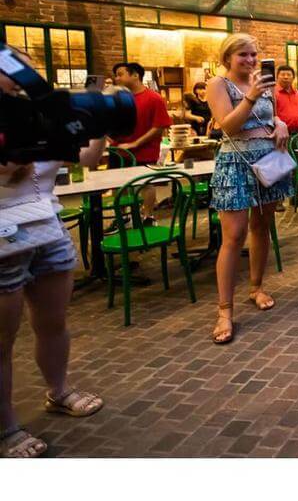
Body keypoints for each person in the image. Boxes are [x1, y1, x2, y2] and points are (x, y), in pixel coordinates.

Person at [0, 49, 105, 459]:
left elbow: (84, 160)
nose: (26, 79)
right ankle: (6, 427)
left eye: (30, 72)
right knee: (2, 338)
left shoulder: (39, 115)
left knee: (53, 322)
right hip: (4, 233)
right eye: (16, 71)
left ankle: (58, 391)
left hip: (48, 224)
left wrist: (96, 125)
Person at [206, 34, 293, 344]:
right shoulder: (218, 84)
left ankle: (256, 287)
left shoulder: (261, 82)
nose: (251, 60)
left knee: (262, 227)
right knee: (233, 236)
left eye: (254, 54)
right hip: (235, 162)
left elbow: (267, 117)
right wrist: (253, 96)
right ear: (227, 57)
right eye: (243, 55)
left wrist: (280, 123)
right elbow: (227, 125)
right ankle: (224, 310)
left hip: (269, 159)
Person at [110, 61, 172, 223]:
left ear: (135, 75)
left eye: (120, 74)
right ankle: (121, 218)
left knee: (146, 184)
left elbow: (159, 126)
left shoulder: (154, 98)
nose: (117, 79)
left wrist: (136, 143)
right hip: (118, 150)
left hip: (144, 150)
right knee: (117, 185)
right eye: (116, 75)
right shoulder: (118, 99)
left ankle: (147, 216)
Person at [274, 64, 298, 136]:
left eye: (288, 75)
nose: (286, 77)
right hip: (281, 134)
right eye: (283, 74)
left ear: (293, 77)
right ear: (277, 77)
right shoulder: (273, 94)